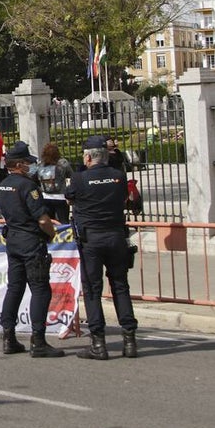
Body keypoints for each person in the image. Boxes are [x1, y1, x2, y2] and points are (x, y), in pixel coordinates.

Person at [66, 135, 139, 360]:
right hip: (116, 237)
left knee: (93, 290)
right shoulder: (118, 176)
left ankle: (98, 342)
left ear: (87, 157)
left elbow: (69, 198)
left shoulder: (79, 179)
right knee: (120, 286)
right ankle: (130, 340)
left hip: (92, 241)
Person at [0, 141, 64, 358]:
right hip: (30, 241)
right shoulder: (28, 186)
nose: (30, 166)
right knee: (40, 289)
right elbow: (43, 219)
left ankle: (8, 337)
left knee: (14, 288)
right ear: (20, 164)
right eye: (27, 163)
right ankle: (39, 340)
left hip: (13, 240)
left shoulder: (3, 184)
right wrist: (53, 234)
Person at [36, 142, 72, 224]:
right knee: (64, 222)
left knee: (50, 222)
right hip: (60, 197)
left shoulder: (40, 165)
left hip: (45, 197)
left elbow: (34, 179)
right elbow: (71, 175)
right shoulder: (63, 163)